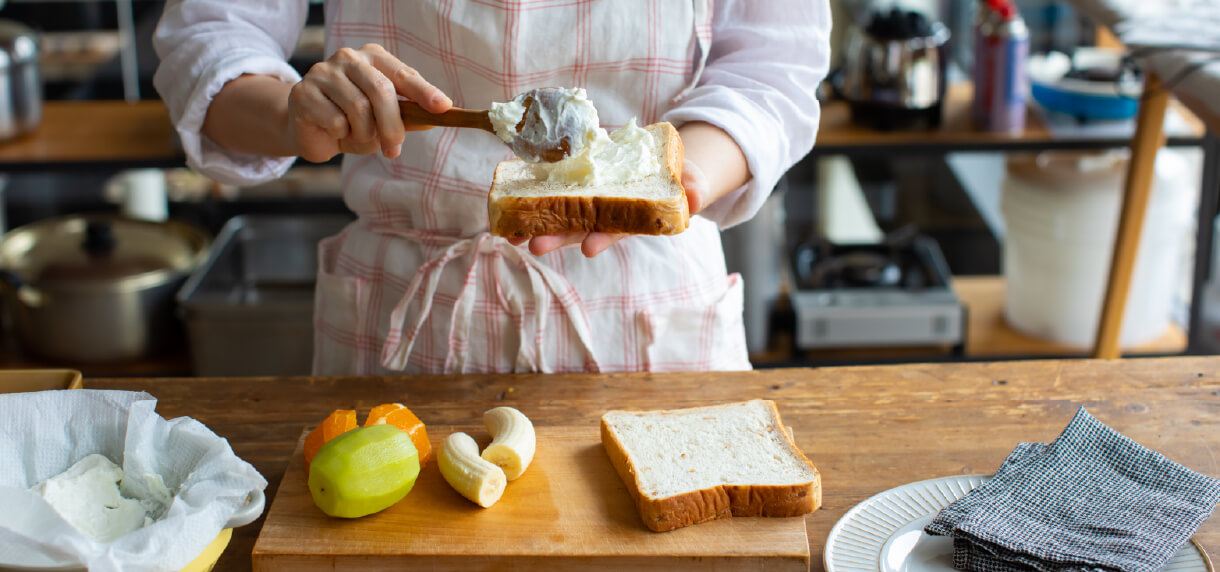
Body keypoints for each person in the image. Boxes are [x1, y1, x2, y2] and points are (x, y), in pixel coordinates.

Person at [153, 1, 830, 375]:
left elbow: (772, 68)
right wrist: (290, 111)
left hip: (646, 307)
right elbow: (212, 34)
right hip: (401, 315)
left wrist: (672, 183)